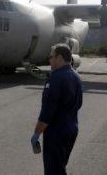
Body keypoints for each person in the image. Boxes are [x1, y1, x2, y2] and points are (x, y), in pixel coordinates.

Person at [31, 43, 83, 175]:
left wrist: (36, 134)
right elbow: (78, 104)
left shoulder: (55, 78)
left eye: (51, 57)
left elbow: (47, 112)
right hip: (71, 129)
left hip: (56, 133)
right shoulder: (76, 77)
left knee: (53, 171)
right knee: (60, 167)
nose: (49, 60)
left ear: (59, 57)